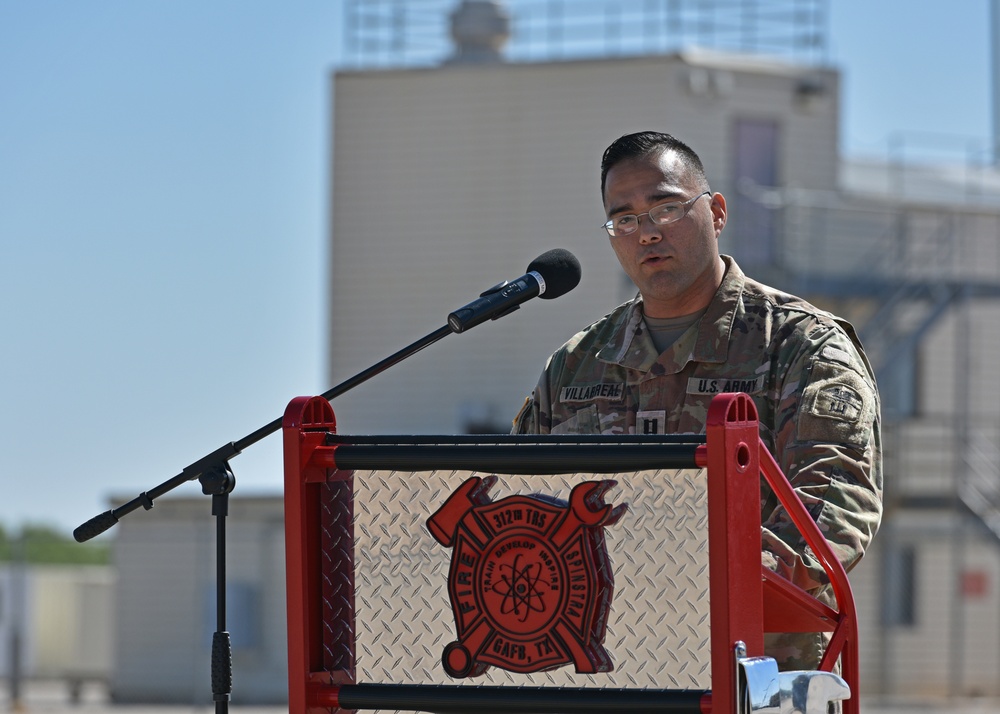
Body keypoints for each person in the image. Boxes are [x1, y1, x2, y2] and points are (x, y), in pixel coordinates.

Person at [512, 131, 882, 672]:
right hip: (605, 666)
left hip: (755, 665)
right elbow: (526, 501)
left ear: (717, 212)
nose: (647, 233)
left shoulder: (801, 345)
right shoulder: (576, 364)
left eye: (666, 207)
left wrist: (708, 587)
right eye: (626, 220)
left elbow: (834, 498)